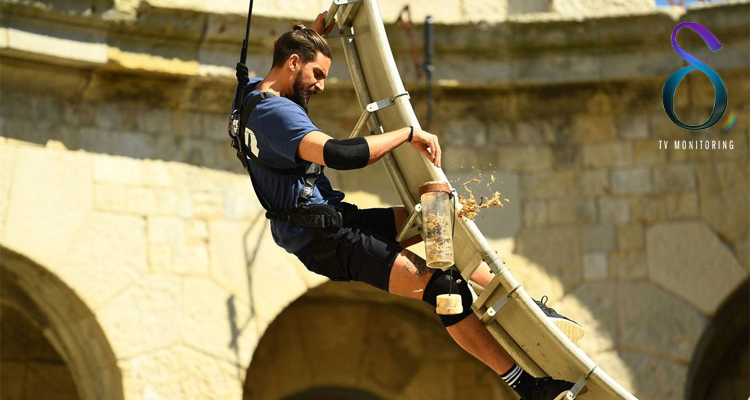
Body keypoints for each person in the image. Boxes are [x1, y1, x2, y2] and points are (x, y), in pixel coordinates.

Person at [231, 11, 584, 400]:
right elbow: (339, 154)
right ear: (294, 64)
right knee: (445, 290)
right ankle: (529, 387)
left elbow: (287, 63)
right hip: (328, 241)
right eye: (318, 74)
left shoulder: (249, 97)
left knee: (434, 219)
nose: (322, 86)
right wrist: (407, 134)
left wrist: (311, 35)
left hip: (335, 222)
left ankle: (528, 305)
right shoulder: (277, 114)